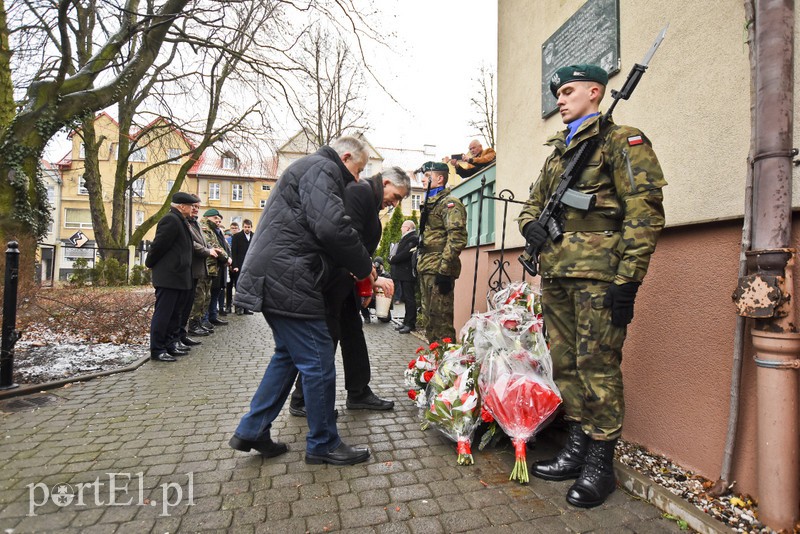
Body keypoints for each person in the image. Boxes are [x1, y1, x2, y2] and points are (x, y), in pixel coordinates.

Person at [517, 64, 666, 508]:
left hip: (601, 276)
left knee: (597, 366)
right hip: (558, 274)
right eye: (557, 94)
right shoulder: (558, 155)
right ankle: (577, 447)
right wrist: (532, 231)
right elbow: (530, 206)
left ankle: (601, 464)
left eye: (567, 91)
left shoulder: (622, 141)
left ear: (595, 92)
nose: (559, 101)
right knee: (565, 364)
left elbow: (645, 212)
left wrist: (629, 279)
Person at [229, 136, 375, 466]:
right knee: (318, 359)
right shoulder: (322, 168)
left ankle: (252, 430)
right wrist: (365, 268)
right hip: (288, 278)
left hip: (279, 274)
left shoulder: (310, 169)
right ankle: (323, 442)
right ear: (346, 156)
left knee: (287, 358)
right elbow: (332, 227)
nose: (357, 178)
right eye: (358, 169)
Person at [289, 167, 409, 417]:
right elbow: (347, 237)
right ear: (385, 182)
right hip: (333, 281)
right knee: (326, 338)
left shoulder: (369, 197)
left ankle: (358, 391)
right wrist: (367, 276)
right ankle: (302, 399)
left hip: (345, 282)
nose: (395, 203)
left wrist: (364, 281)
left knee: (353, 334)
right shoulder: (360, 191)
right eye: (396, 196)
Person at [416, 161, 467, 342]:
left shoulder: (449, 203)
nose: (423, 180)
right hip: (427, 266)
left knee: (441, 321)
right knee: (430, 319)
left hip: (438, 268)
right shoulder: (431, 203)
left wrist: (444, 270)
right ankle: (433, 361)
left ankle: (447, 363)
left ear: (439, 179)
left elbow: (457, 237)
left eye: (427, 177)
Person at [144, 192, 197, 362]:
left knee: (175, 315)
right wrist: (149, 263)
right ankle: (158, 349)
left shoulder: (181, 220)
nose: (193, 209)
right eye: (190, 206)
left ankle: (169, 345)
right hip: (169, 277)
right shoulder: (171, 220)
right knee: (164, 314)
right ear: (182, 206)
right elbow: (158, 246)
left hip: (179, 277)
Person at [186, 202, 223, 337]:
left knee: (205, 297)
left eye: (197, 207)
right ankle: (193, 324)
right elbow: (206, 245)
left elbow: (210, 244)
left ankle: (199, 322)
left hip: (208, 267)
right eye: (215, 219)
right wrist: (211, 251)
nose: (217, 222)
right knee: (199, 297)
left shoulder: (198, 225)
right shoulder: (201, 226)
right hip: (203, 266)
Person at [201, 208, 232, 327]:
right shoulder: (205, 229)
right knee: (207, 294)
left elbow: (225, 246)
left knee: (216, 292)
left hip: (219, 266)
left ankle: (212, 316)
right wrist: (226, 258)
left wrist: (228, 258)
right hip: (210, 265)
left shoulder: (216, 230)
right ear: (207, 217)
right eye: (215, 219)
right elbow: (214, 246)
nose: (218, 222)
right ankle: (205, 319)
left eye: (219, 220)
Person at [389, 220, 419, 333]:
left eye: (402, 226)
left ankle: (410, 323)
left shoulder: (412, 238)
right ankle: (406, 321)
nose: (401, 229)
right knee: (406, 298)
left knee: (409, 298)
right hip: (402, 274)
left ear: (407, 228)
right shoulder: (405, 238)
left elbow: (406, 253)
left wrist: (393, 259)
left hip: (408, 274)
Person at [230, 219, 254, 315]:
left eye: (248, 227)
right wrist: (234, 265)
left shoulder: (254, 236)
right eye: (245, 227)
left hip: (250, 266)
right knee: (239, 287)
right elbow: (234, 252)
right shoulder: (237, 236)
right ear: (243, 227)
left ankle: (246, 308)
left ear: (251, 227)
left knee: (248, 288)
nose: (247, 229)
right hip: (239, 265)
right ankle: (238, 308)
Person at [223, 221, 240, 314]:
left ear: (238, 229)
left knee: (238, 288)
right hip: (229, 267)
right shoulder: (228, 240)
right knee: (228, 288)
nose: (234, 230)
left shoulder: (241, 239)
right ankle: (228, 306)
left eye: (235, 228)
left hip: (238, 267)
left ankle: (238, 306)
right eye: (232, 228)